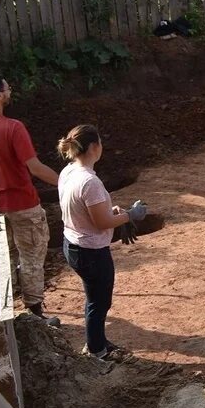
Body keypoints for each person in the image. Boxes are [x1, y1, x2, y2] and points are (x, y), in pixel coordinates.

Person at [57, 124, 145, 361]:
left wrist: (113, 211)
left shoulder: (68, 172)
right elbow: (102, 222)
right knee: (99, 302)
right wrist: (130, 215)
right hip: (91, 252)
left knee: (93, 298)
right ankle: (97, 351)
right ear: (94, 147)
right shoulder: (90, 182)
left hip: (73, 244)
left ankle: (96, 342)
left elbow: (84, 210)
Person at [0, 75, 61, 325]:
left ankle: (3, 319)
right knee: (31, 257)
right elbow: (35, 168)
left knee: (0, 262)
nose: (10, 91)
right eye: (7, 88)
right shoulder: (13, 127)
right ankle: (35, 316)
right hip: (23, 204)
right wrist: (67, 182)